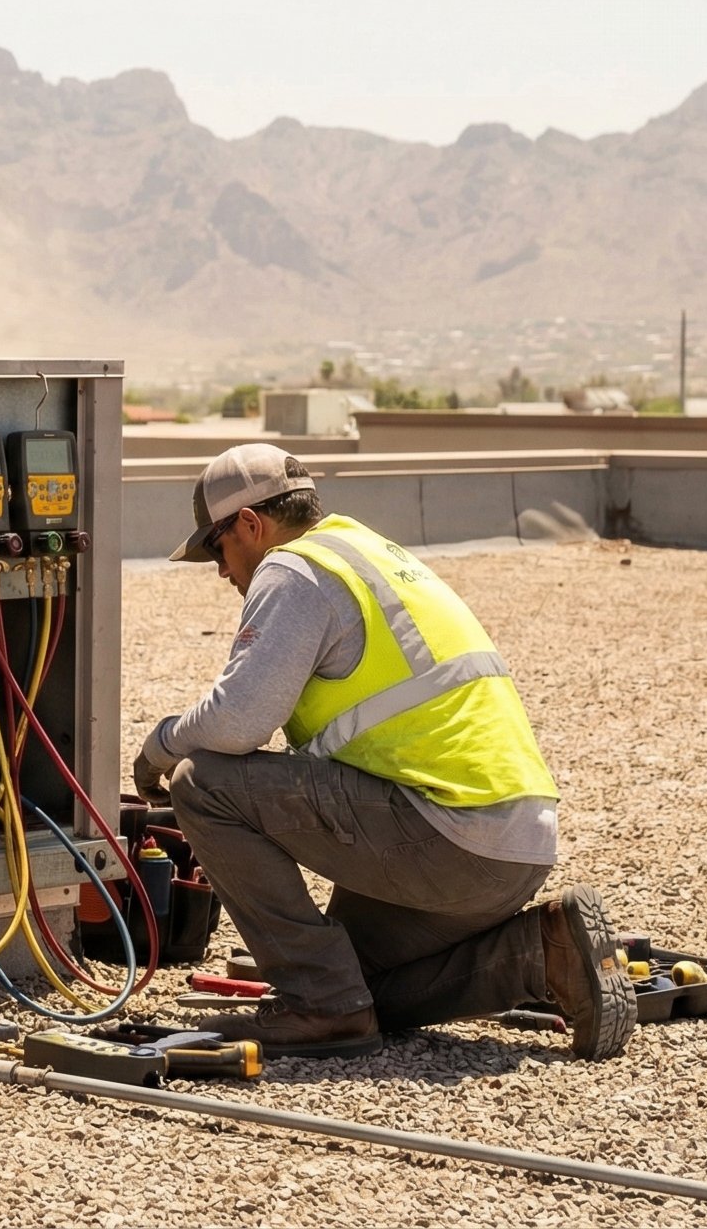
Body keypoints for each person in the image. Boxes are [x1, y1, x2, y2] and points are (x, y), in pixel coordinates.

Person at [132, 443, 634, 1059]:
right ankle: (542, 952)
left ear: (249, 524)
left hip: (444, 835)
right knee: (357, 988)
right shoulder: (370, 552)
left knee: (198, 779)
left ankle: (318, 1007)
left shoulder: (293, 569)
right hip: (511, 847)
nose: (220, 571)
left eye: (216, 549)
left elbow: (238, 723)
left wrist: (158, 747)